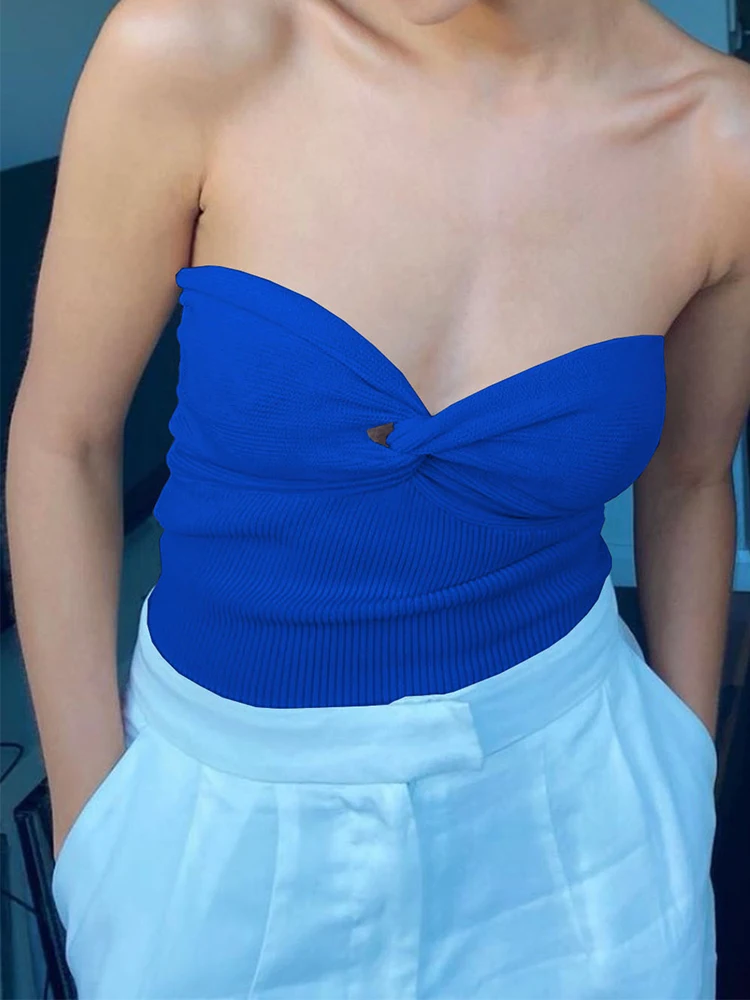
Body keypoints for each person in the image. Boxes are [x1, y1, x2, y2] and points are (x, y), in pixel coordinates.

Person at [5, 0, 750, 995]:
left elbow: (693, 476)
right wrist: (90, 829)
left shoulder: (721, 139)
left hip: (581, 826)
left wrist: (685, 769)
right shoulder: (193, 47)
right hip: (215, 822)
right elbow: (65, 441)